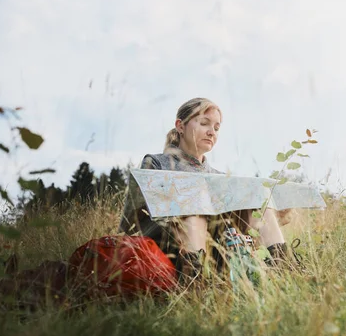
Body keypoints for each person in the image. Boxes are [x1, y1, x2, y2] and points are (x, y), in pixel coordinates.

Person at [119, 97, 297, 284]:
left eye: (217, 128)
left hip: (214, 245)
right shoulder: (156, 163)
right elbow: (136, 218)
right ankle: (194, 283)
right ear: (180, 126)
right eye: (204, 123)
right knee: (193, 209)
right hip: (163, 242)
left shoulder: (219, 177)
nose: (212, 132)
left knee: (258, 198)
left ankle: (283, 271)